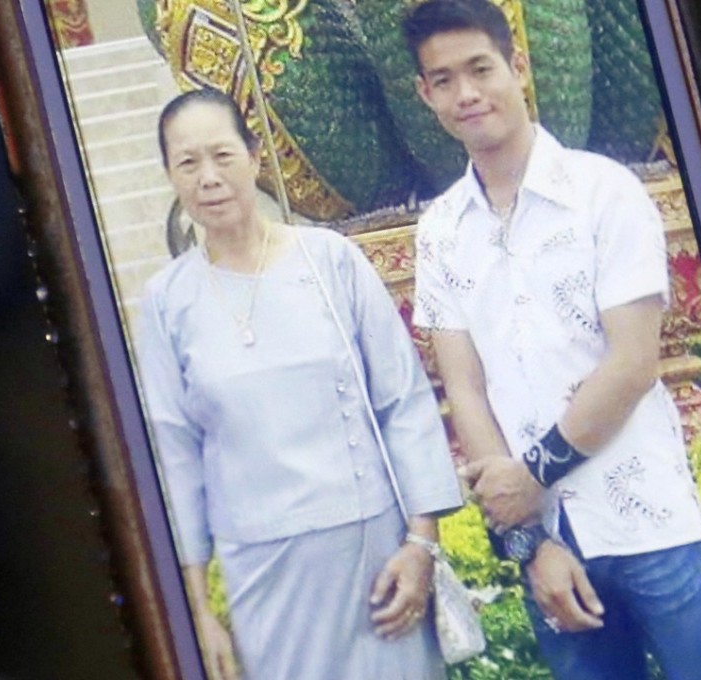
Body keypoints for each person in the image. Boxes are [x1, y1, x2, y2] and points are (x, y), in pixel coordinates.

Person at [402, 1, 701, 678]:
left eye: (480, 69)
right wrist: (530, 541)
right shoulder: (439, 231)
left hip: (652, 526)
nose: (466, 94)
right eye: (443, 80)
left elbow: (632, 363)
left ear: (518, 66)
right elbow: (465, 389)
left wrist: (529, 478)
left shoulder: (605, 193)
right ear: (424, 94)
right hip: (551, 547)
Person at [137, 88, 462, 680]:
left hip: (376, 559)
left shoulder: (330, 259)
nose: (209, 178)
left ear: (255, 155)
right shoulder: (166, 302)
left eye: (223, 155)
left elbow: (404, 401)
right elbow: (174, 454)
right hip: (261, 572)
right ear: (169, 175)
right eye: (188, 163)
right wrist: (195, 609)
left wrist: (422, 545)